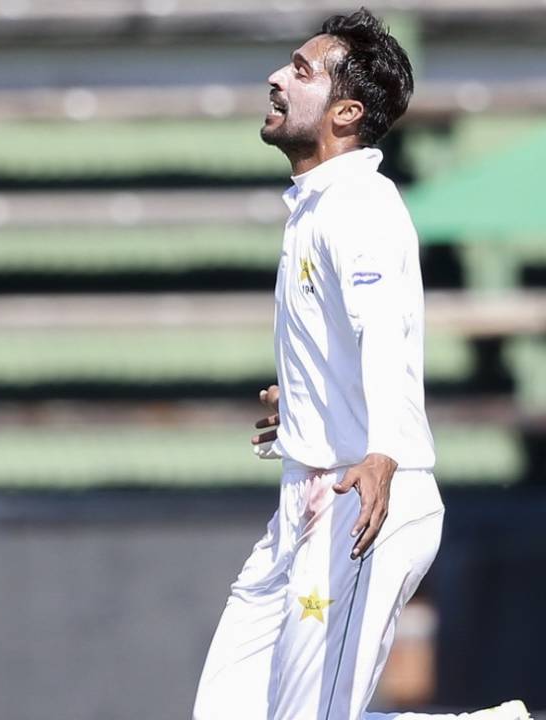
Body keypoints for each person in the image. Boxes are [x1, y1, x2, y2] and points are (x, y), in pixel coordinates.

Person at [191, 9, 530, 720]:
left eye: (302, 71)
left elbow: (386, 329)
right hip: (305, 499)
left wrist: (380, 452)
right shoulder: (315, 206)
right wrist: (308, 397)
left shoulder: (359, 206)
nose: (278, 78)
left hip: (362, 501)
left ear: (345, 113)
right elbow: (348, 331)